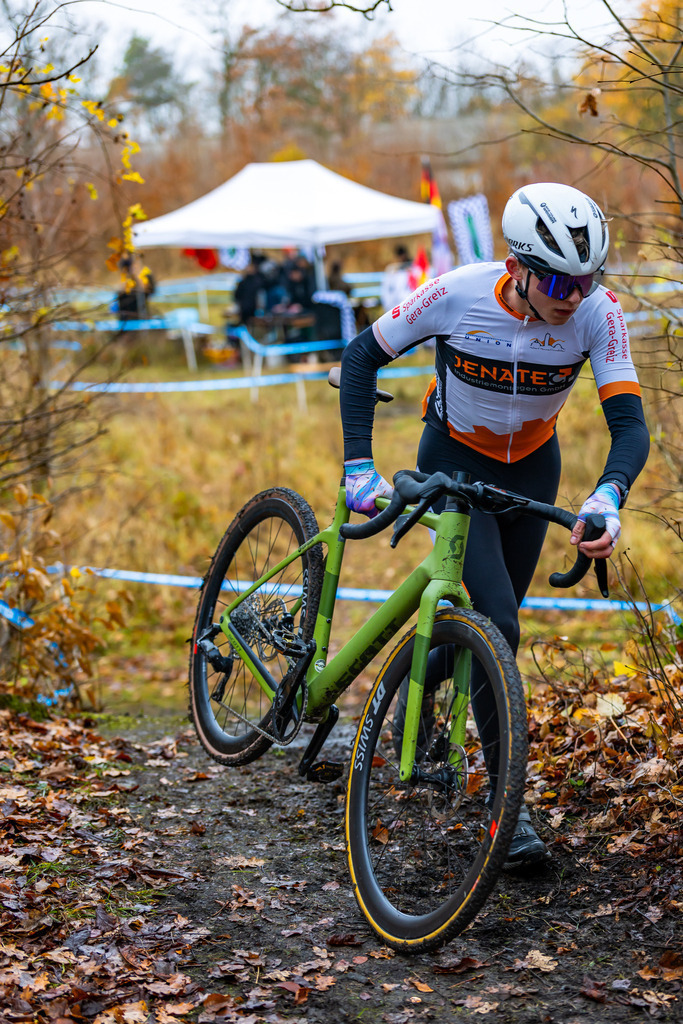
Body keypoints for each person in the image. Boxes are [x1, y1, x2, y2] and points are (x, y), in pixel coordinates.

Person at [339, 182, 650, 872]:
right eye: (558, 281)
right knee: (499, 626)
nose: (574, 295)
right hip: (451, 463)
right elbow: (361, 355)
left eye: (587, 278)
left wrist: (607, 495)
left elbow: (628, 426)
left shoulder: (597, 313)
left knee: (490, 625)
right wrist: (357, 466)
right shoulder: (457, 291)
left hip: (530, 472)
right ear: (515, 267)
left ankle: (408, 702)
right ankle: (505, 813)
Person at [116, 254, 155, 320]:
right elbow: (121, 294)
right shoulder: (125, 278)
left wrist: (137, 277)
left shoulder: (145, 275)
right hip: (125, 316)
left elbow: (149, 290)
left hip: (141, 314)